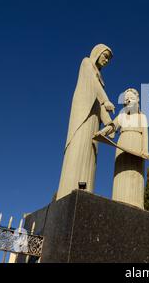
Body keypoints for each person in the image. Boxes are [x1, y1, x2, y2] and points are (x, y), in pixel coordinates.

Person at [56, 44, 115, 200]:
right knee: (78, 149)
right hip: (82, 118)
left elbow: (99, 104)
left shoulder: (100, 80)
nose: (106, 60)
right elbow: (94, 87)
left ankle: (84, 195)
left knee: (90, 155)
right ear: (97, 53)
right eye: (105, 56)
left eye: (108, 58)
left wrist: (109, 123)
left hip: (94, 122)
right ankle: (67, 193)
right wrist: (106, 99)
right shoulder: (86, 63)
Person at [97, 88, 149, 209]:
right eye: (125, 99)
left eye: (130, 98)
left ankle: (135, 203)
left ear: (137, 100)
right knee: (121, 172)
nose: (127, 101)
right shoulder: (122, 115)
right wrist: (102, 132)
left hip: (136, 143)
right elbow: (113, 126)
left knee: (134, 174)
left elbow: (145, 135)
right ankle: (118, 201)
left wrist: (145, 150)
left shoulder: (142, 117)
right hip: (122, 142)